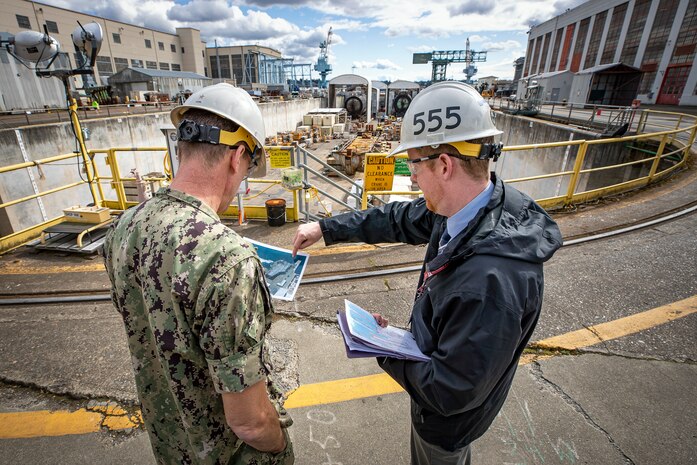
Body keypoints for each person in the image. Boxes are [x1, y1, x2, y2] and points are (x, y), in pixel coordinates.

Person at [292, 81, 562, 465]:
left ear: (445, 165)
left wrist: (382, 346)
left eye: (414, 162)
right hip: (447, 390)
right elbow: (396, 218)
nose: (412, 175)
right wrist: (327, 229)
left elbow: (449, 392)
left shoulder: (491, 283)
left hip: (445, 426)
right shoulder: (470, 209)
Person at [103, 83, 293, 465]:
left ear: (181, 147)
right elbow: (251, 423)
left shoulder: (124, 227)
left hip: (172, 448)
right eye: (248, 169)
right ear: (238, 157)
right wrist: (281, 448)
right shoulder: (228, 258)